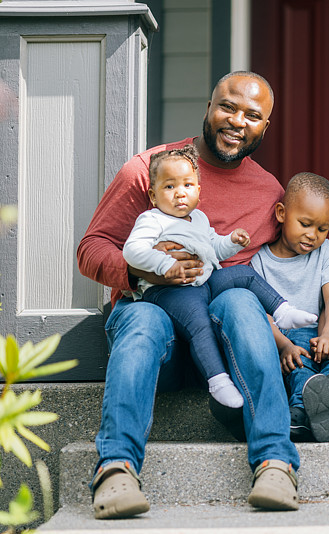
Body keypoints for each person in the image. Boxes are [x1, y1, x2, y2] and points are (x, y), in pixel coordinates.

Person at [78, 71, 302, 518]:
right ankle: (116, 469)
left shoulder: (268, 192)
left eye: (252, 115)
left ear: (265, 126)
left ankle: (277, 462)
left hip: (222, 347)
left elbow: (276, 267)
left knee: (241, 300)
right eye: (228, 107)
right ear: (208, 105)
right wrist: (145, 273)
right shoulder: (150, 169)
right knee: (142, 319)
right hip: (155, 324)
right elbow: (92, 248)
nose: (237, 121)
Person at [122, 145, 317, 409]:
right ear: (153, 196)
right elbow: (133, 251)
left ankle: (283, 311)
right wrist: (163, 264)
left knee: (244, 275)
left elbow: (213, 247)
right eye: (169, 187)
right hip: (171, 291)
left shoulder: (199, 219)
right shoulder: (152, 219)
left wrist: (232, 242)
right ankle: (218, 380)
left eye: (188, 185)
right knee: (200, 324)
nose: (180, 192)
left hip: (205, 280)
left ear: (198, 192)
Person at [248, 172, 329, 443]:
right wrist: (284, 344)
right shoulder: (259, 260)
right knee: (299, 358)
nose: (312, 236)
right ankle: (301, 409)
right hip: (281, 339)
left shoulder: (325, 251)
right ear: (282, 213)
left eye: (322, 228)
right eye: (305, 224)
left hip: (318, 334)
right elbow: (260, 314)